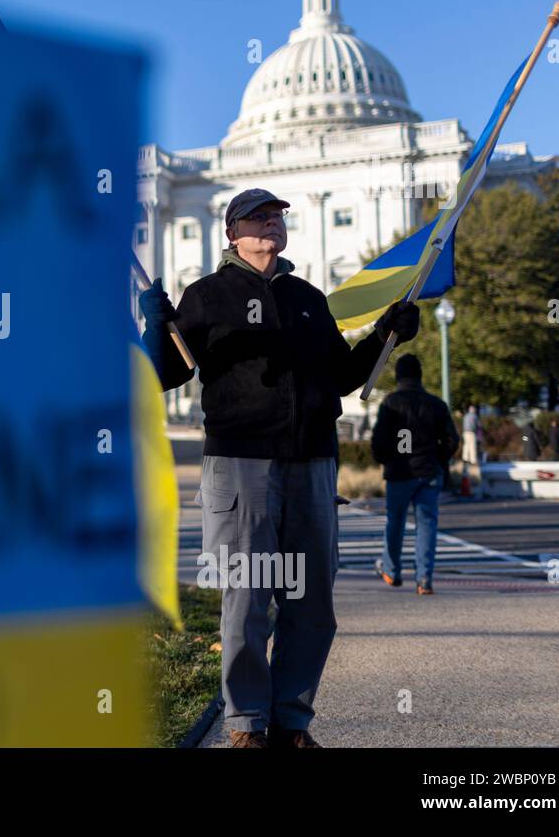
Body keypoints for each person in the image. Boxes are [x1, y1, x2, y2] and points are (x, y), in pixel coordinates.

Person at [138, 187, 419, 748]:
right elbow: (164, 373)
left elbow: (342, 377)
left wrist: (387, 332)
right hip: (241, 465)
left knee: (313, 603)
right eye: (258, 219)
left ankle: (291, 722)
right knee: (247, 599)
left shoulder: (309, 299)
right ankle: (246, 724)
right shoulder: (206, 296)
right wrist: (153, 328)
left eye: (276, 218)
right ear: (232, 234)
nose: (271, 226)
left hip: (313, 461)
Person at [371, 354, 459, 596]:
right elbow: (452, 440)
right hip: (428, 470)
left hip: (399, 472)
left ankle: (391, 570)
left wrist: (384, 460)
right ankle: (424, 579)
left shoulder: (390, 403)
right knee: (427, 524)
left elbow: (379, 440)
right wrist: (439, 458)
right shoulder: (436, 404)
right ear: (420, 375)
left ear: (398, 375)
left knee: (395, 521)